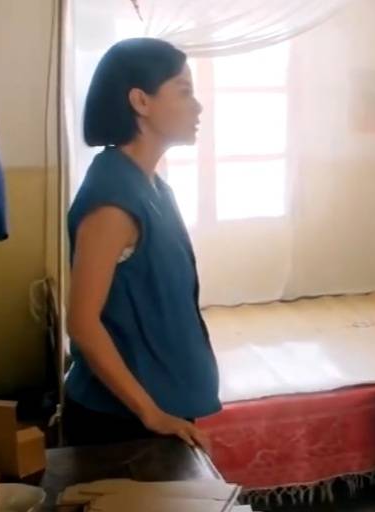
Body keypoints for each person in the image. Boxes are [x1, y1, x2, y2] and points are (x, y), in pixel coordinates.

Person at [65, 38, 218, 449]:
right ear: (140, 101)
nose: (197, 107)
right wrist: (151, 413)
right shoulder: (113, 199)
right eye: (184, 92)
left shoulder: (153, 186)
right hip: (124, 419)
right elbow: (82, 323)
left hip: (162, 402)